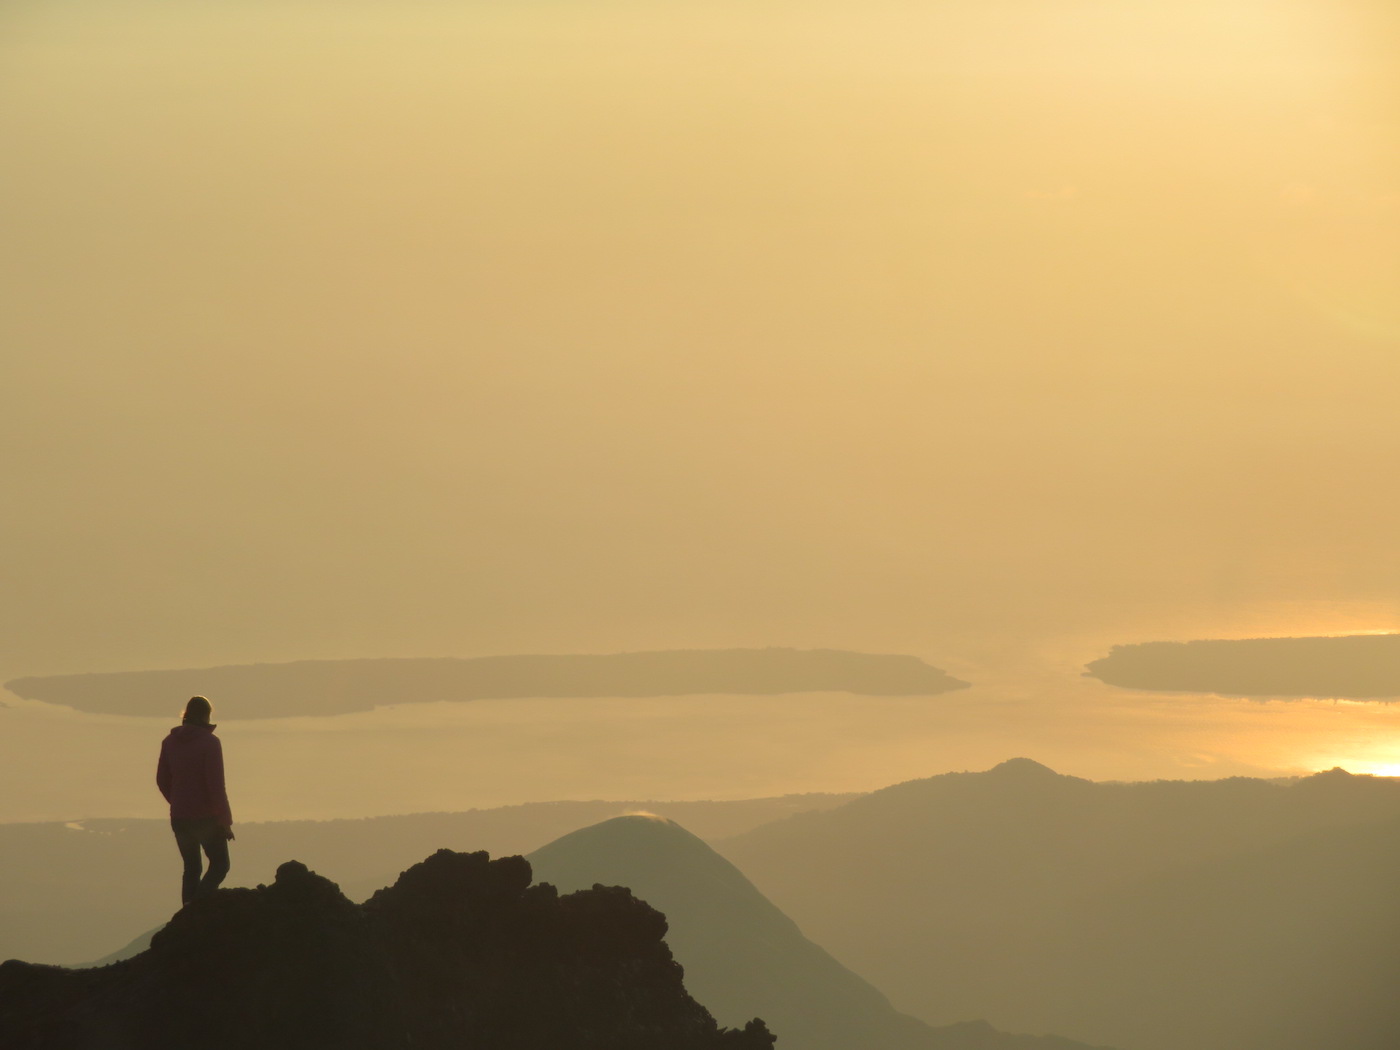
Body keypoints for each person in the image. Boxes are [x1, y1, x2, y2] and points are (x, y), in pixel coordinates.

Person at [156, 695, 234, 905]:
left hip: (180, 817)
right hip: (206, 817)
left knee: (192, 867)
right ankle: (197, 908)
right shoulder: (210, 743)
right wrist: (225, 822)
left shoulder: (169, 742)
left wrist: (177, 802)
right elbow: (216, 786)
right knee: (220, 865)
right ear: (207, 716)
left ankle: (187, 911)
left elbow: (162, 780)